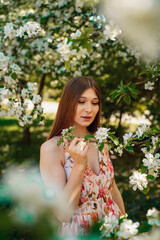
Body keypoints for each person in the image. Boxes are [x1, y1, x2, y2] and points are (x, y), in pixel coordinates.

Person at [40, 76, 125, 236]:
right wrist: (79, 166)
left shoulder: (100, 141)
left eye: (95, 103)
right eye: (81, 101)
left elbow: (112, 190)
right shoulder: (52, 149)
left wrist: (125, 225)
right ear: (68, 103)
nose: (89, 109)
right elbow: (62, 213)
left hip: (114, 231)